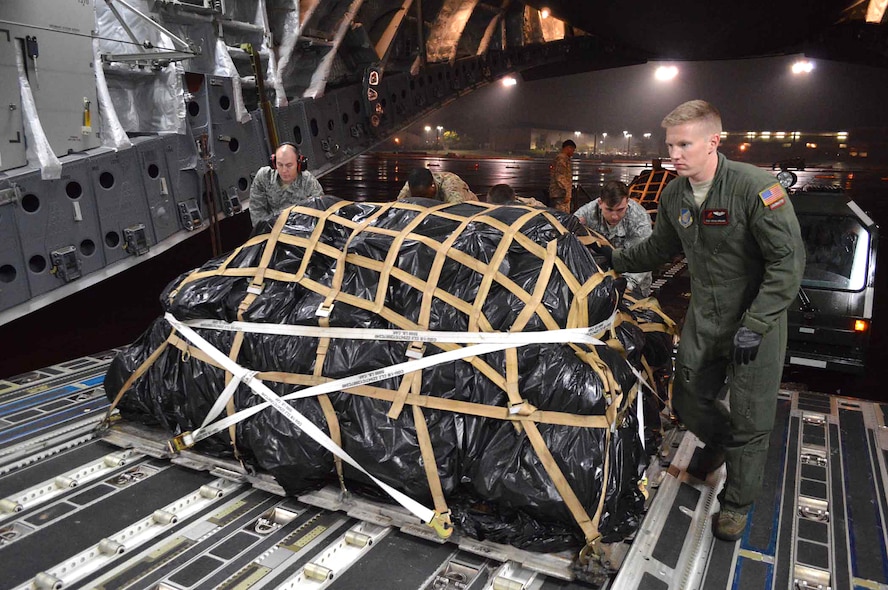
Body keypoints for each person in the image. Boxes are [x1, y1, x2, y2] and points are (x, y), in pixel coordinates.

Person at [596, 100, 805, 542]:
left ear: (714, 141)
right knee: (688, 401)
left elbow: (787, 262)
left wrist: (759, 322)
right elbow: (657, 250)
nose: (674, 153)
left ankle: (736, 504)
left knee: (751, 419)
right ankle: (721, 442)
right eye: (670, 144)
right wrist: (611, 258)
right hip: (704, 316)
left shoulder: (756, 189)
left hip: (755, 322)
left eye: (684, 144)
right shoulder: (674, 195)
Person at [574, 180, 653, 296]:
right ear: (600, 203)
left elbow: (644, 256)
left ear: (627, 202)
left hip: (635, 281)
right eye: (609, 210)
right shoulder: (586, 214)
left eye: (620, 209)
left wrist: (627, 285)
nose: (615, 216)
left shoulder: (639, 218)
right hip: (596, 280)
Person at [249, 143, 324, 226]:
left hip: (301, 230)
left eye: (289, 165)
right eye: (280, 165)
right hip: (272, 230)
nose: (284, 170)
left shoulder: (307, 181)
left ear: (299, 164)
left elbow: (319, 211)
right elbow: (257, 211)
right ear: (273, 163)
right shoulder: (264, 177)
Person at [396, 167, 478, 203]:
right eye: (416, 196)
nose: (421, 199)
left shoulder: (451, 185)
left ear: (433, 185)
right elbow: (399, 207)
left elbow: (457, 211)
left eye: (424, 195)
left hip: (470, 213)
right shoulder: (411, 186)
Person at [548, 139, 576, 213]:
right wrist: (567, 192)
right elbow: (560, 177)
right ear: (568, 148)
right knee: (562, 217)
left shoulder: (562, 158)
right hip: (561, 194)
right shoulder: (562, 159)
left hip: (559, 193)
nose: (573, 153)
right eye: (572, 150)